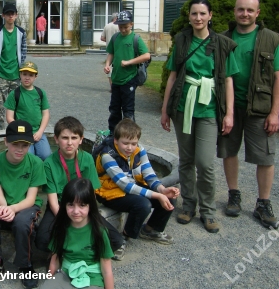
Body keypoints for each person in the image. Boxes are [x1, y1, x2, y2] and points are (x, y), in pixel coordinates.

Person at [161, 0, 239, 234]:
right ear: (189, 17)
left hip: (208, 109)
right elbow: (173, 77)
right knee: (186, 160)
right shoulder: (182, 41)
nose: (198, 18)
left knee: (205, 163)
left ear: (210, 16)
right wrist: (165, 110)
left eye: (202, 14)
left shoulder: (222, 44)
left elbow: (228, 80)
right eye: (194, 14)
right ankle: (189, 204)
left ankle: (208, 210)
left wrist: (229, 114)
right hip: (184, 107)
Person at [217, 0, 279, 229]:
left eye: (250, 10)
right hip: (230, 107)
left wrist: (275, 113)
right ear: (234, 11)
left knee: (265, 157)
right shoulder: (223, 39)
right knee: (229, 151)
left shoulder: (270, 40)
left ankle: (263, 202)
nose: (245, 14)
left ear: (257, 13)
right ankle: (234, 194)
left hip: (260, 108)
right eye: (241, 10)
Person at [35, 116, 126, 260]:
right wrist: (67, 219)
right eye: (65, 138)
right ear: (56, 139)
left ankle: (85, 252)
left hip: (84, 205)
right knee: (41, 240)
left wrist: (83, 214)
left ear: (81, 139)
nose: (69, 143)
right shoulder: (48, 163)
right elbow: (52, 201)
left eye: (74, 137)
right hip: (60, 206)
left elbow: (92, 195)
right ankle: (69, 253)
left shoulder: (88, 159)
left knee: (116, 241)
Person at [0, 120, 46, 289]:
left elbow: (30, 199)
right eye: (15, 144)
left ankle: (25, 265)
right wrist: (4, 208)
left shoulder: (36, 163)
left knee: (23, 224)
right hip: (2, 203)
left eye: (25, 145)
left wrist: (13, 209)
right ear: (6, 141)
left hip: (26, 205)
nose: (20, 149)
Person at [95, 119, 180, 244]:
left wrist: (162, 190)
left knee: (169, 197)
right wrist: (157, 195)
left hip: (131, 186)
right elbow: (125, 185)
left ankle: (150, 230)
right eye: (125, 143)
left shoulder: (139, 150)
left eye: (133, 143)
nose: (130, 147)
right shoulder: (107, 156)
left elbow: (149, 174)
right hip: (109, 193)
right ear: (116, 141)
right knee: (143, 205)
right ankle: (124, 236)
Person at [42, 178, 115, 289]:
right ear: (64, 205)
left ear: (90, 206)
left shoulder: (99, 231)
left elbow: (106, 269)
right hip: (66, 273)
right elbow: (54, 260)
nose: (76, 211)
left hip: (92, 277)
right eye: (71, 204)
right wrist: (48, 281)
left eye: (82, 205)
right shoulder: (60, 228)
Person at [104, 10, 151, 134]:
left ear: (131, 24)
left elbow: (146, 55)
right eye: (120, 27)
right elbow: (111, 53)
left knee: (128, 110)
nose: (123, 29)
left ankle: (129, 135)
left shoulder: (136, 38)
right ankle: (113, 134)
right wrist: (108, 65)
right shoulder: (115, 38)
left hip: (129, 79)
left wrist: (129, 62)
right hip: (116, 79)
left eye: (125, 27)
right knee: (114, 109)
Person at [0, 3, 27, 130]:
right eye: (8, 13)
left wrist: (19, 68)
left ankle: (15, 131)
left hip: (15, 76)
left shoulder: (21, 33)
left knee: (16, 107)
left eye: (13, 13)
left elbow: (23, 53)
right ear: (3, 15)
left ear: (16, 15)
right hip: (1, 76)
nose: (10, 16)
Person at [4, 61, 51, 160]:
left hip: (38, 131)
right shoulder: (14, 94)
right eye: (24, 74)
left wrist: (40, 131)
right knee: (27, 156)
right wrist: (20, 130)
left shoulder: (40, 93)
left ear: (35, 77)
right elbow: (9, 117)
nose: (27, 77)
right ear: (20, 74)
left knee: (46, 155)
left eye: (31, 75)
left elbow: (45, 114)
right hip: (22, 133)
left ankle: (42, 173)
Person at [100, 13, 120, 92]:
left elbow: (102, 38)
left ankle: (112, 86)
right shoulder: (118, 26)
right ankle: (118, 86)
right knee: (118, 67)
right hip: (118, 48)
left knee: (109, 68)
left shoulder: (107, 26)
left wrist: (108, 40)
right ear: (116, 18)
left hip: (109, 49)